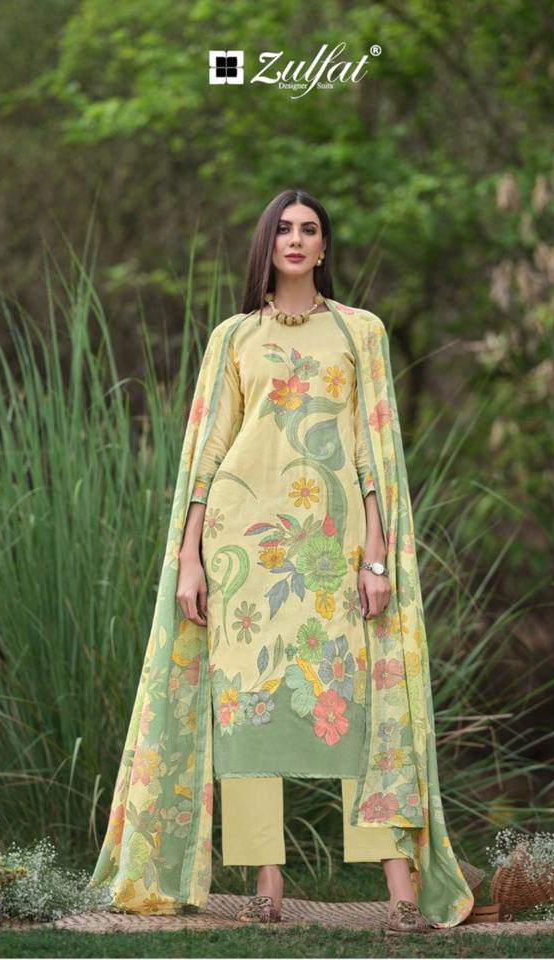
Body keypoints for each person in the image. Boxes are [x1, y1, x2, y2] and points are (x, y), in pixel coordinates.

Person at [88, 189, 474, 935]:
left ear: (324, 248)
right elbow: (208, 449)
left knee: (362, 706)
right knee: (248, 712)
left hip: (332, 546)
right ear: (266, 244)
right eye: (283, 229)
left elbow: (370, 448)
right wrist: (190, 555)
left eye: (310, 230)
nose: (295, 240)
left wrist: (375, 553)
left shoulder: (360, 331)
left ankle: (399, 889)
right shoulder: (234, 336)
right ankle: (267, 882)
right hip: (245, 546)